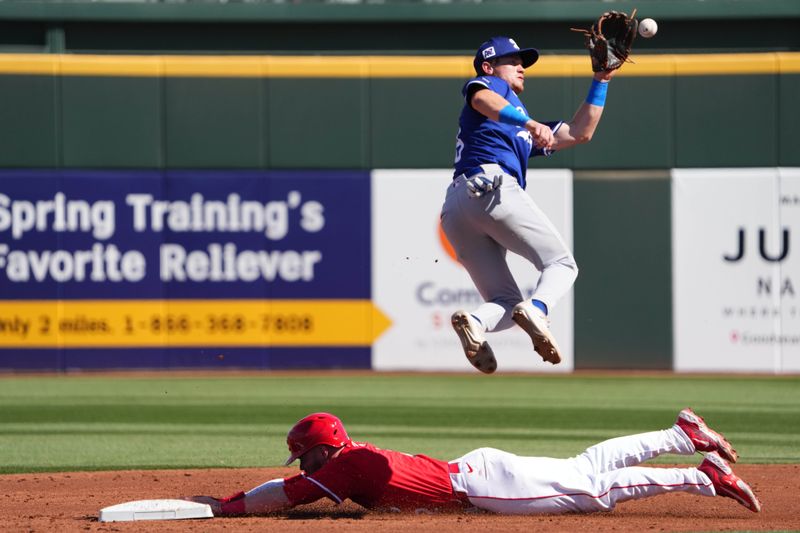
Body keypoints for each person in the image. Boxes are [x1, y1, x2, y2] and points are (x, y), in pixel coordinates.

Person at [187, 408, 761, 516]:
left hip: (484, 486)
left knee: (594, 490)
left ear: (320, 450)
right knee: (585, 465)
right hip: (480, 469)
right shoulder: (352, 462)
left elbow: (288, 493)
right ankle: (680, 433)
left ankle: (698, 473)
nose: (302, 463)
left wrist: (229, 506)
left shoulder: (346, 466)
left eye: (304, 454)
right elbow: (297, 487)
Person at [442, 36, 617, 373]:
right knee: (562, 265)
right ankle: (538, 308)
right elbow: (481, 99)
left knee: (505, 305)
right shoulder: (494, 88)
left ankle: (475, 322)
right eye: (512, 60)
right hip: (491, 187)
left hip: (456, 209)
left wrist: (602, 80)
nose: (521, 66)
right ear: (489, 66)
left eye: (522, 61)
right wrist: (529, 123)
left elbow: (580, 132)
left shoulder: (520, 125)